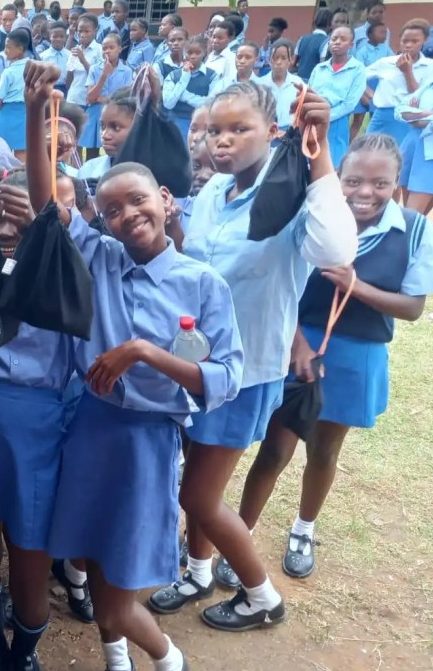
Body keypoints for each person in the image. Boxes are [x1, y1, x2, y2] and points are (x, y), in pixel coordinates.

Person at [24, 60, 242, 671]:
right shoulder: (99, 257)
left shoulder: (202, 285)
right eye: (111, 209)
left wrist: (144, 351)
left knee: (120, 592)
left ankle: (170, 665)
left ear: (166, 200)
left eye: (138, 201)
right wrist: (37, 113)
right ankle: (117, 667)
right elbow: (45, 205)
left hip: (146, 441)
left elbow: (224, 378)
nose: (126, 216)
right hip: (92, 430)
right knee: (91, 563)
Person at [148, 82, 357, 629]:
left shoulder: (289, 194)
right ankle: (198, 572)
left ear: (273, 131)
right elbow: (197, 265)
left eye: (240, 129)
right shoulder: (214, 191)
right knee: (198, 479)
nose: (222, 141)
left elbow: (335, 250)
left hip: (245, 372)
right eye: (215, 130)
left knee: (198, 495)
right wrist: (172, 225)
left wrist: (320, 151)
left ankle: (261, 596)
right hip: (195, 364)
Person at [237, 134, 433, 579]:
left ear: (398, 182)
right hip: (299, 345)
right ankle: (241, 534)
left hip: (356, 354)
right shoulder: (316, 217)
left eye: (380, 184)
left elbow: (412, 308)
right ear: (338, 177)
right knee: (275, 448)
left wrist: (355, 286)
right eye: (353, 181)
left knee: (324, 450)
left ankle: (303, 529)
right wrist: (296, 343)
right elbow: (280, 286)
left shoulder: (415, 229)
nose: (365, 193)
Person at [0, 164, 76, 671]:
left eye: (20, 217)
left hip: (40, 427)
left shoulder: (61, 275)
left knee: (30, 553)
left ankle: (25, 655)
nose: (7, 228)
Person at [365, 19, 433, 145]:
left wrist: (407, 72)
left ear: (425, 40)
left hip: (408, 117)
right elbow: (358, 77)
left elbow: (419, 97)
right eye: (405, 41)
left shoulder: (429, 66)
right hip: (382, 116)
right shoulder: (386, 62)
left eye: (414, 41)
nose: (408, 45)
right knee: (367, 148)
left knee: (399, 153)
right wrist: (370, 94)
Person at [308, 25, 367, 167]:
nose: (337, 42)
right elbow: (308, 95)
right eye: (334, 39)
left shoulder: (357, 69)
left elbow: (350, 104)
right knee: (309, 163)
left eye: (343, 39)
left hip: (337, 122)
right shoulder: (319, 68)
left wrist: (326, 116)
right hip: (313, 121)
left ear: (351, 44)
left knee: (332, 165)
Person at [82, 34, 134, 157]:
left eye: (111, 47)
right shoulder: (94, 69)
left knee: (116, 150)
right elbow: (90, 98)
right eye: (104, 48)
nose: (107, 51)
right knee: (91, 152)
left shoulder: (126, 71)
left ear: (120, 49)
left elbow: (125, 98)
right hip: (95, 113)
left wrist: (102, 99)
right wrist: (104, 75)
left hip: (118, 113)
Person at [76, 86, 137, 187]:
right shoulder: (88, 171)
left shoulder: (157, 175)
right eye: (102, 127)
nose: (104, 135)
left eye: (116, 127)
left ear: (139, 127)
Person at [162, 35, 217, 140]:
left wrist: (184, 96)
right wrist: (184, 77)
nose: (193, 56)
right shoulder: (173, 76)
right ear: (184, 52)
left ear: (204, 52)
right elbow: (168, 103)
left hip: (201, 125)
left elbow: (211, 105)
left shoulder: (212, 76)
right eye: (189, 53)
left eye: (198, 53)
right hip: (174, 124)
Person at [397, 71, 433, 214]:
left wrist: (415, 117)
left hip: (430, 154)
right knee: (411, 214)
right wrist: (426, 114)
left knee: (412, 213)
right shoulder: (429, 83)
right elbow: (399, 110)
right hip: (414, 146)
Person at [0, 30, 31, 156]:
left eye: (8, 47)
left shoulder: (8, 72)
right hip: (26, 114)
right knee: (22, 151)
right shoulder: (33, 66)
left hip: (7, 114)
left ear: (20, 49)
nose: (5, 50)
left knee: (0, 152)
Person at [350, 21, 393, 141]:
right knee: (358, 119)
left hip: (379, 87)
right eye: (381, 32)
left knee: (375, 117)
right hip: (364, 86)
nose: (385, 35)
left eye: (385, 33)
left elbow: (392, 62)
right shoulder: (362, 51)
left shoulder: (386, 49)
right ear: (369, 35)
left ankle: (373, 143)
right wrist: (363, 90)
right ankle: (350, 143)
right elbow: (359, 71)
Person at [257, 39, 304, 135]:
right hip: (265, 133)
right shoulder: (259, 84)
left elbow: (302, 112)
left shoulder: (298, 84)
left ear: (291, 60)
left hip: (290, 133)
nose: (278, 62)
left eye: (283, 58)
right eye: (275, 57)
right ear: (270, 59)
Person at [293, 9, 333, 82]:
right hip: (313, 83)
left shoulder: (302, 39)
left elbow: (293, 63)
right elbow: (322, 67)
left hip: (298, 81)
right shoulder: (327, 42)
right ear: (330, 25)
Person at [204, 21, 237, 85]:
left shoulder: (231, 59)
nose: (215, 41)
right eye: (213, 37)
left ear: (230, 39)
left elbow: (229, 83)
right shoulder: (210, 56)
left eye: (220, 38)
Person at [42, 22, 71, 92]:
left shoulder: (70, 55)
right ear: (50, 37)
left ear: (66, 37)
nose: (58, 39)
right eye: (54, 36)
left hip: (66, 89)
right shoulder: (43, 56)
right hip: (48, 89)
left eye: (61, 37)